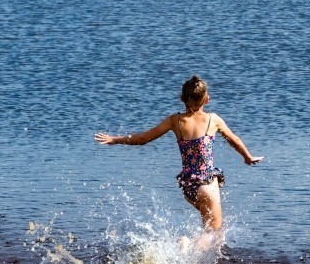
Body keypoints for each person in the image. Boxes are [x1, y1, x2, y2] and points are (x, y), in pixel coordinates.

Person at [94, 75, 263, 251]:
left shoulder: (175, 121)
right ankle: (187, 245)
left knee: (209, 228)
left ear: (182, 99)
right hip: (207, 184)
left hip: (189, 186)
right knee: (214, 233)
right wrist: (248, 157)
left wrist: (116, 139)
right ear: (206, 99)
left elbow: (144, 138)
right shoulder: (213, 119)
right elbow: (234, 140)